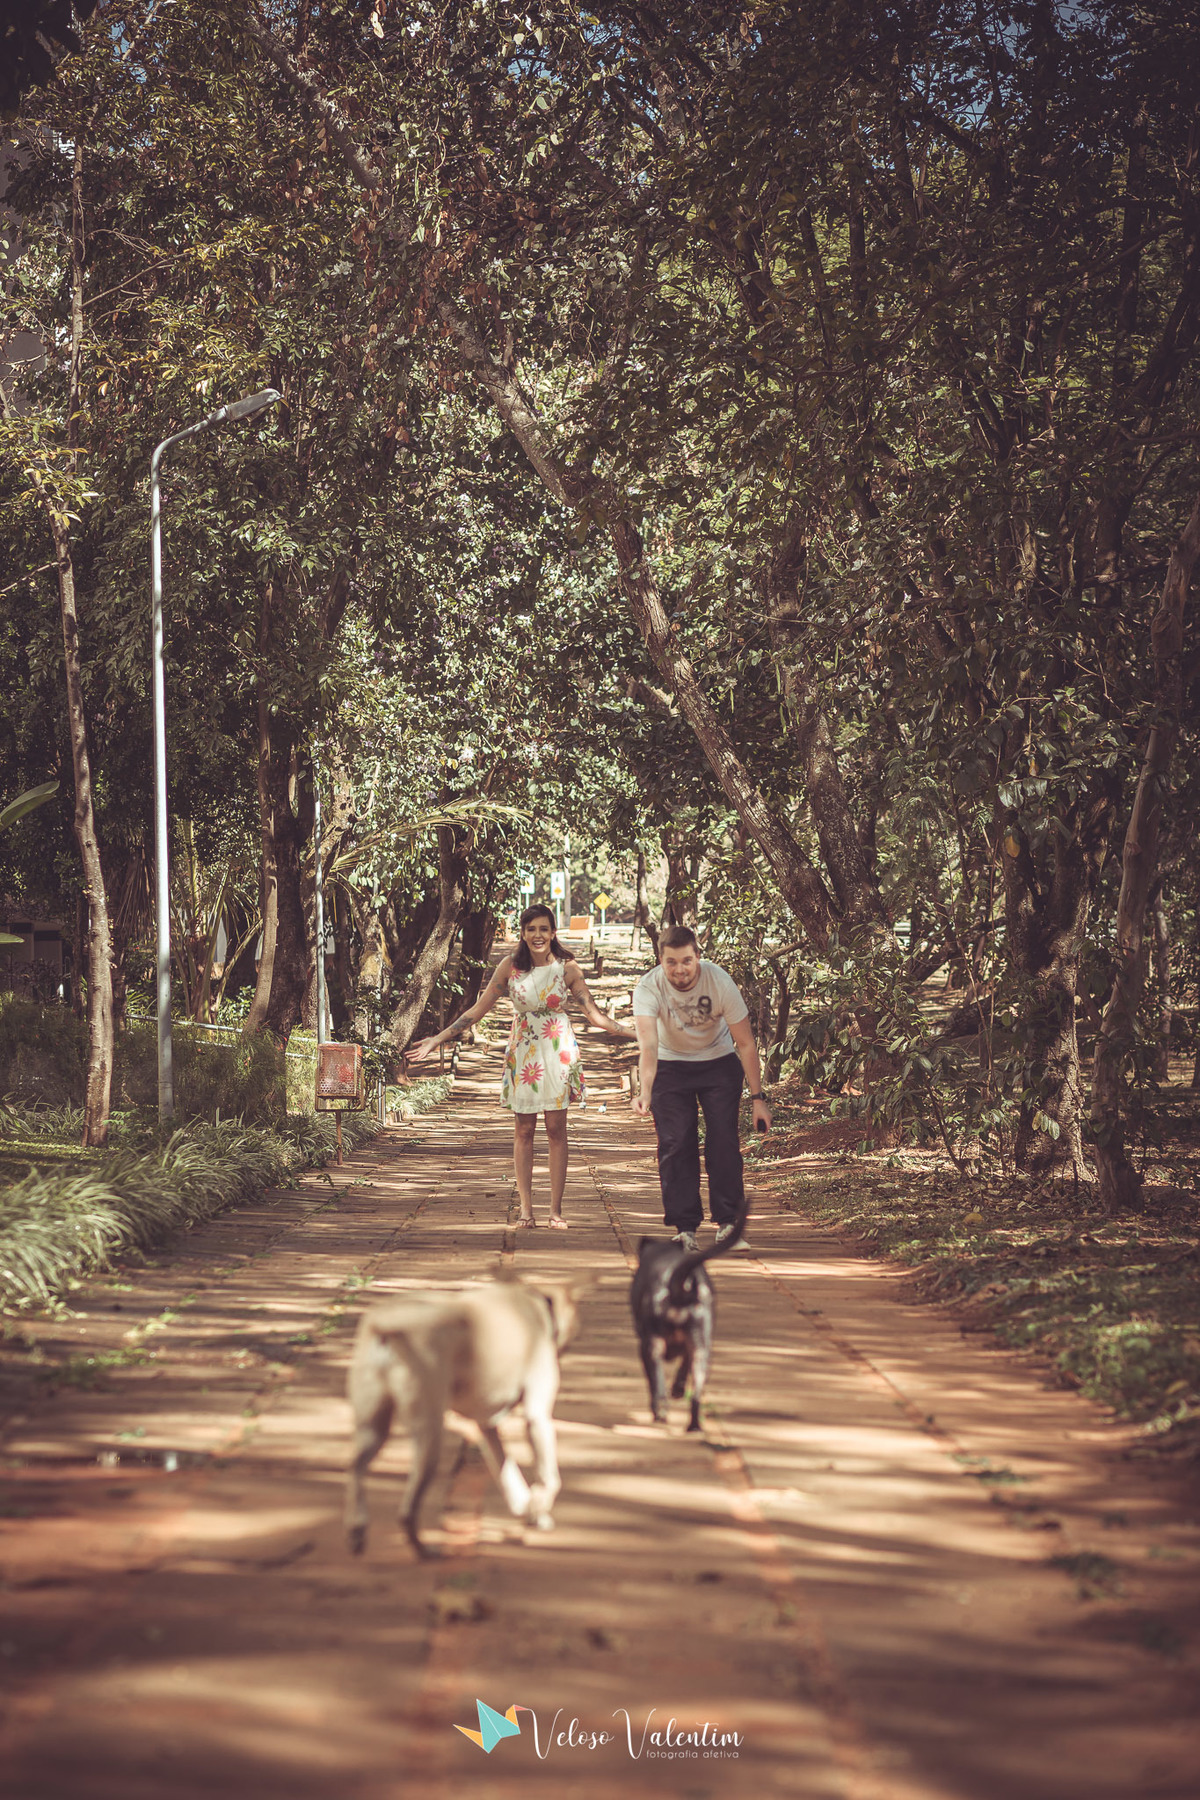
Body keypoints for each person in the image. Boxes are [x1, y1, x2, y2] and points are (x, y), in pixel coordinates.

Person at [407, 903, 635, 1228]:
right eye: (531, 929)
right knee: (524, 1130)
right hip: (525, 1053)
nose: (538, 935)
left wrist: (636, 1032)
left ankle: (555, 1211)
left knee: (557, 1130)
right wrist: (437, 1039)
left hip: (557, 1053)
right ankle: (526, 1210)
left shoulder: (568, 968)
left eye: (544, 929)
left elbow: (594, 1015)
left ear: (553, 932)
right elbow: (477, 1010)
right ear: (523, 933)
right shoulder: (510, 967)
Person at [631, 924, 771, 1253]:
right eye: (671, 962)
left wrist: (758, 1099)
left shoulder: (719, 981)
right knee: (676, 1143)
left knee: (722, 1141)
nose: (679, 970)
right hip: (669, 1065)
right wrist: (645, 1091)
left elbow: (746, 1044)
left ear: (698, 957)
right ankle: (685, 1228)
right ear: (660, 960)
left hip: (717, 1064)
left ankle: (728, 1224)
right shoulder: (648, 988)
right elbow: (648, 1046)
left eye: (686, 961)